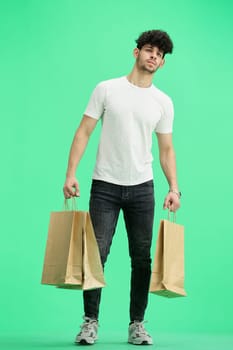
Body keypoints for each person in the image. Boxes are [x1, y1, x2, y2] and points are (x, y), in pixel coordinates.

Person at [63, 29, 181, 345]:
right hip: (104, 186)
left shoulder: (162, 102)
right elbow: (83, 132)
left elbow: (166, 150)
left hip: (142, 188)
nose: (154, 56)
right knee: (96, 256)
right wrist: (70, 173)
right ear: (136, 53)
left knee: (142, 258)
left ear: (162, 63)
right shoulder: (107, 89)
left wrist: (174, 188)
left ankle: (137, 325)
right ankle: (90, 323)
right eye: (150, 50)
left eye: (160, 54)